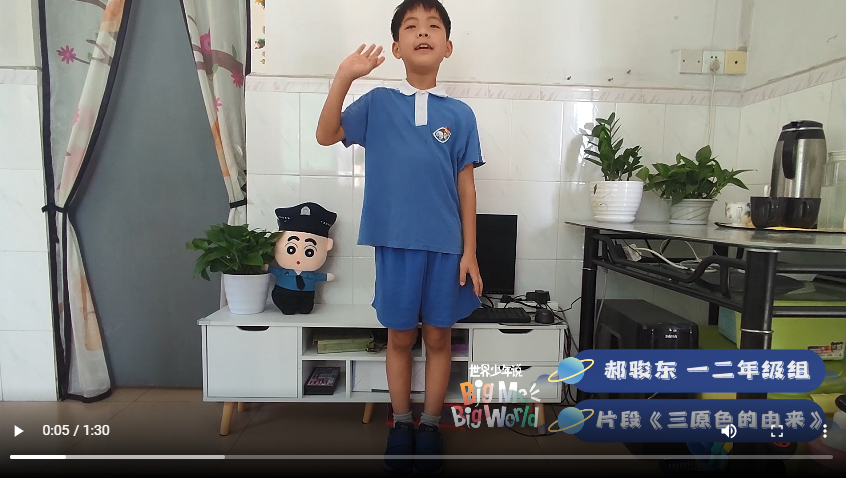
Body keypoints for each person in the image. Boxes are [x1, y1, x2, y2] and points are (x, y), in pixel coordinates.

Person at [315, 0, 484, 473]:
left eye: (433, 26)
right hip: (394, 243)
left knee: (439, 338)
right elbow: (326, 134)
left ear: (448, 46)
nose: (422, 32)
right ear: (396, 48)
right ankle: (401, 422)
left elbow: (467, 188)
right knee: (400, 337)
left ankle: (430, 425)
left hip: (447, 247)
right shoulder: (378, 104)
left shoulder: (461, 114)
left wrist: (470, 252)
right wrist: (345, 76)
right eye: (411, 26)